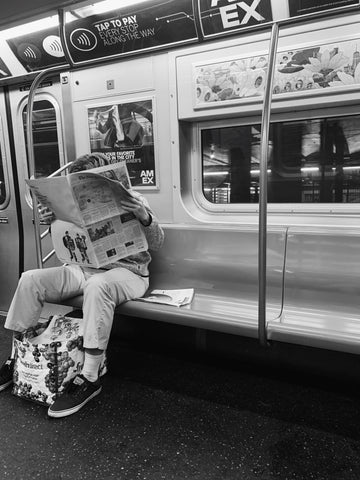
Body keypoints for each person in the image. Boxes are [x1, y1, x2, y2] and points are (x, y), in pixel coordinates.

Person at [0, 153, 164, 418]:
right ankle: (17, 355)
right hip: (82, 268)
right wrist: (49, 217)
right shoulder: (73, 206)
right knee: (30, 279)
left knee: (98, 285)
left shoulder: (135, 201)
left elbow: (157, 242)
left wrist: (143, 216)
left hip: (128, 273)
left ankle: (89, 376)